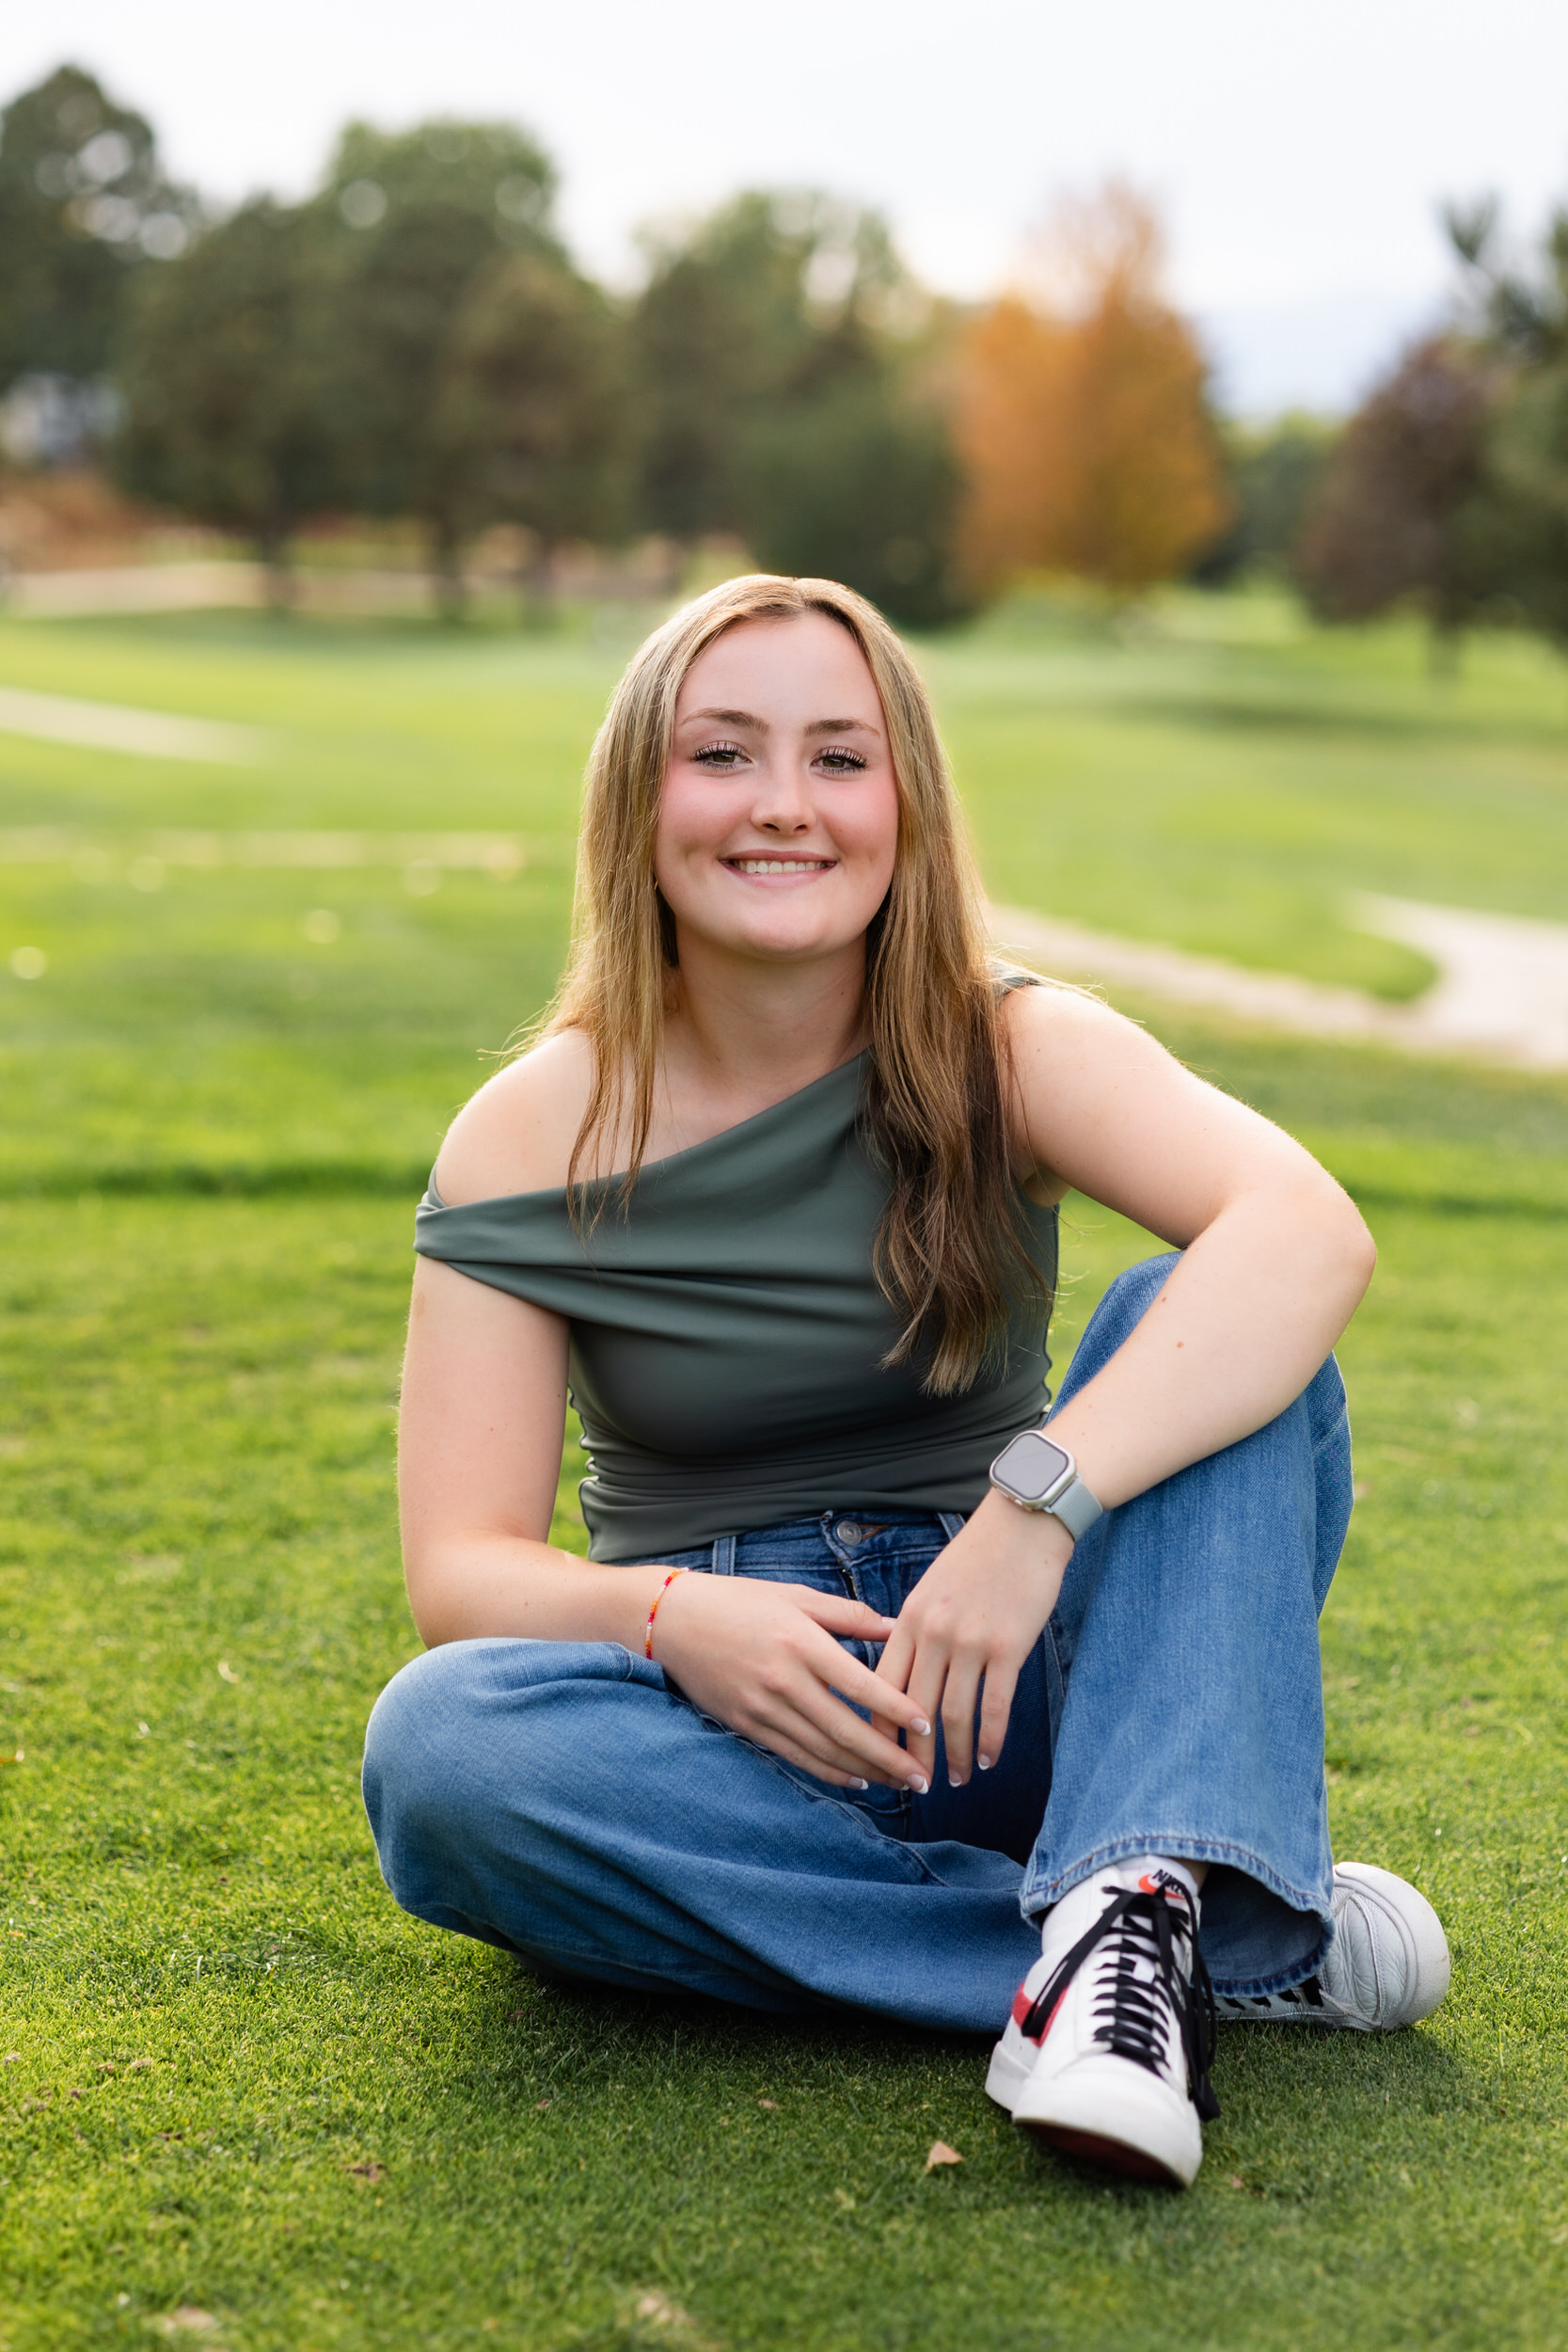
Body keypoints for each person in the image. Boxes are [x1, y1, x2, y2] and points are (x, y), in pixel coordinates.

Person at [363, 573, 1449, 2190]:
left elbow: (1304, 1230)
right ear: (638, 796)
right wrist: (678, 1620)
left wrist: (1035, 1510)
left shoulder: (1011, 1046)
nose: (783, 807)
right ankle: (1175, 1939)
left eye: (838, 760)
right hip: (730, 1725)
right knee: (442, 1755)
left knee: (1223, 1323)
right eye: (722, 754)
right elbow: (460, 1571)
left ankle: (1128, 1888)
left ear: (906, 803)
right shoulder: (535, 1126)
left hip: (1023, 1676)